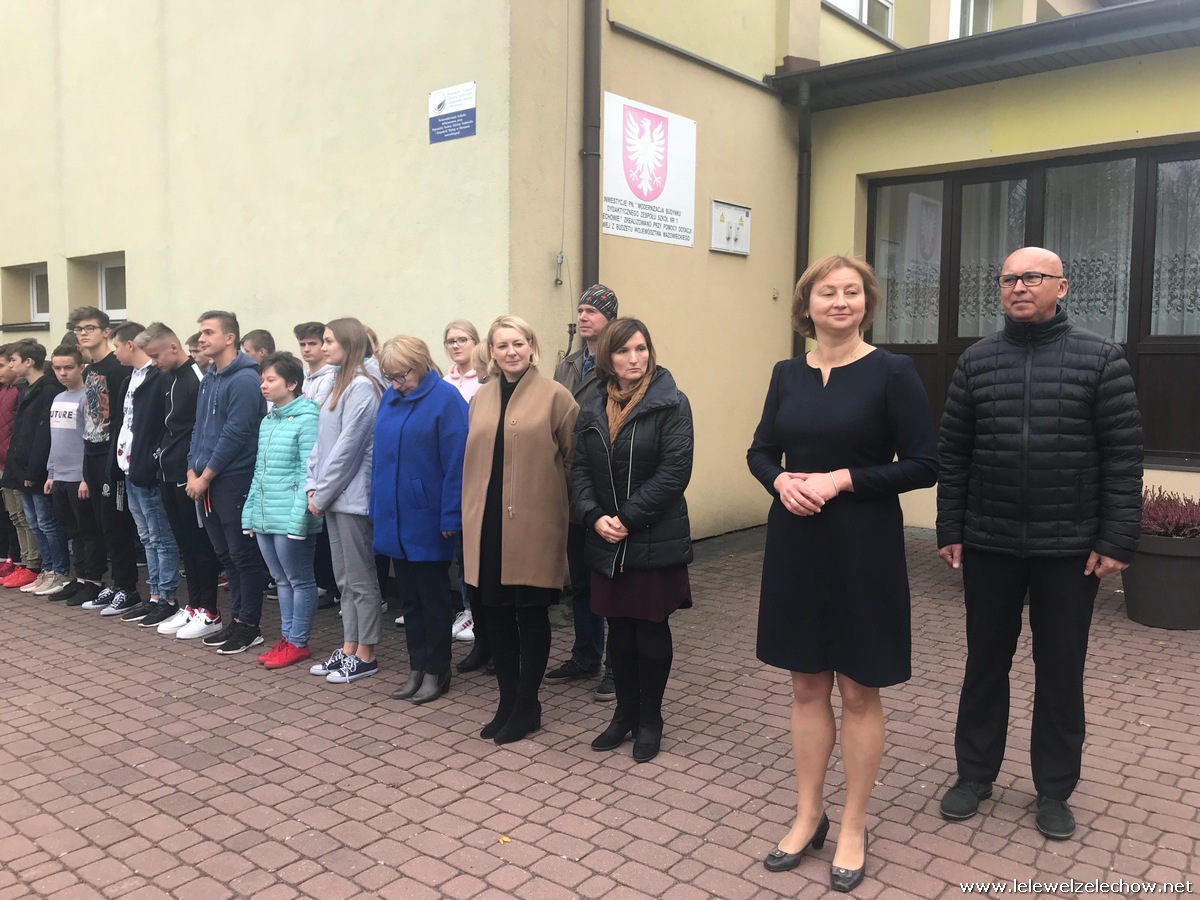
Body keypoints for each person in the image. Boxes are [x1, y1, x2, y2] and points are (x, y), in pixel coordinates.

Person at [936, 246, 1143, 842]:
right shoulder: (977, 360)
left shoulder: (1101, 359)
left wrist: (1116, 538)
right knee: (985, 662)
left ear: (1062, 287)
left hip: (1069, 548)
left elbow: (1123, 457)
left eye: (1032, 277)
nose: (1019, 287)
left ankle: (1054, 789)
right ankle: (974, 775)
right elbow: (954, 452)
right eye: (1009, 278)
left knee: (1060, 669)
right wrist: (951, 527)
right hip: (991, 541)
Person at [747, 255, 937, 892]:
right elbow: (760, 450)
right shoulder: (786, 374)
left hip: (864, 546)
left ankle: (854, 822)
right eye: (827, 292)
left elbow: (924, 463)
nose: (840, 301)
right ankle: (809, 814)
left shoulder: (893, 372)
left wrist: (842, 479)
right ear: (807, 305)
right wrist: (779, 481)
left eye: (852, 292)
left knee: (858, 690)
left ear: (866, 303)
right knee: (806, 686)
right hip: (796, 542)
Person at [571, 318, 693, 763]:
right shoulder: (592, 404)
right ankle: (624, 714)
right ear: (608, 356)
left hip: (653, 537)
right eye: (624, 351)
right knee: (619, 630)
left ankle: (650, 719)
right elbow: (579, 469)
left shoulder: (671, 402)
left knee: (650, 630)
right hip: (607, 537)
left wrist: (625, 519)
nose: (634, 358)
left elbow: (674, 472)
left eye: (641, 349)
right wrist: (593, 515)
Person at [462, 315, 578, 744]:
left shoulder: (556, 397)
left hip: (534, 524)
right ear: (491, 352)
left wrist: (559, 510)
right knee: (494, 615)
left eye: (518, 343)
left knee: (530, 614)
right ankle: (508, 701)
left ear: (532, 346)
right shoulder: (482, 397)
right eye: (502, 345)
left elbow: (574, 460)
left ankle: (528, 703)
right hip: (486, 524)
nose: (511, 352)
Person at [373, 336, 468, 704]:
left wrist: (451, 515)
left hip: (428, 517)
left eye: (402, 375)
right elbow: (381, 459)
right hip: (395, 516)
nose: (397, 383)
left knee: (433, 599)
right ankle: (417, 666)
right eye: (391, 377)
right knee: (409, 599)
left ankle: (438, 669)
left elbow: (457, 463)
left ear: (421, 363)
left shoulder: (446, 399)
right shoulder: (391, 397)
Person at [548, 284, 619, 700]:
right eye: (581, 310)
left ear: (610, 317)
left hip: (607, 485)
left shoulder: (618, 363)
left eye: (592, 310)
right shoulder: (568, 365)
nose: (584, 316)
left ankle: (615, 666)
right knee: (581, 580)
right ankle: (585, 655)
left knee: (609, 581)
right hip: (572, 486)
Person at [184, 311, 271, 651]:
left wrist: (206, 475)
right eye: (200, 332)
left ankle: (249, 625)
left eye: (208, 332)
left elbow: (236, 433)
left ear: (230, 338)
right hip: (206, 481)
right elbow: (199, 427)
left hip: (232, 480)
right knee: (226, 555)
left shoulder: (245, 379)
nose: (202, 338)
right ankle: (237, 620)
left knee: (242, 555)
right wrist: (191, 469)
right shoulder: (210, 377)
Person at [306, 317, 384, 684]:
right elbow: (320, 444)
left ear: (349, 344)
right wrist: (312, 485)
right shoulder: (338, 384)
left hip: (351, 498)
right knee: (344, 579)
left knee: (360, 577)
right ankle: (349, 646)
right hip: (333, 497)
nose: (323, 347)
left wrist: (321, 493)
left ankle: (366, 653)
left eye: (329, 341)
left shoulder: (364, 387)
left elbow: (348, 449)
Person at [139, 324, 224, 634]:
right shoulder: (167, 378)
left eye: (156, 356)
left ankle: (210, 611)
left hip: (189, 475)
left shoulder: (197, 378)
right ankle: (193, 606)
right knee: (184, 545)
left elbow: (206, 428)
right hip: (167, 470)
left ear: (173, 347)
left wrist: (197, 470)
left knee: (200, 545)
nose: (153, 363)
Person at [242, 352, 322, 669]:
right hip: (265, 515)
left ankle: (298, 641)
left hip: (290, 516)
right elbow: (259, 472)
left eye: (270, 380)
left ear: (291, 384)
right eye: (262, 380)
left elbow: (307, 473)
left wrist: (299, 520)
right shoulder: (268, 420)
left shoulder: (308, 418)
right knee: (281, 580)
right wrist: (250, 514)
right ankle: (287, 639)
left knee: (299, 580)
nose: (263, 385)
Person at [69, 306, 142, 616]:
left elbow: (124, 419)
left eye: (90, 328)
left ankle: (128, 588)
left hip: (113, 457)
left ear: (106, 331)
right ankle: (115, 583)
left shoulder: (117, 368)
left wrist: (116, 461)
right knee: (100, 524)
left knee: (116, 523)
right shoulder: (89, 371)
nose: (83, 333)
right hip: (92, 453)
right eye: (79, 329)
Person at [108, 322, 181, 623]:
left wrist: (151, 460)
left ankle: (167, 597)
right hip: (128, 467)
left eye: (116, 346)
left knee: (161, 536)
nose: (114, 353)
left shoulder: (158, 378)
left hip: (146, 469)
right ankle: (153, 595)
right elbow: (123, 423)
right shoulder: (130, 379)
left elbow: (160, 425)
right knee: (147, 536)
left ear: (131, 345)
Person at [6, 341, 70, 597]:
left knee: (47, 522)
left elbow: (43, 436)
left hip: (38, 469)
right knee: (33, 521)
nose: (11, 365)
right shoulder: (27, 389)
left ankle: (59, 570)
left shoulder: (48, 390)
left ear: (29, 362)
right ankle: (48, 568)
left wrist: (34, 471)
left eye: (14, 360)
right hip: (22, 467)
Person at [46, 346, 107, 607]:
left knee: (87, 531)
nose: (63, 373)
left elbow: (91, 441)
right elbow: (55, 440)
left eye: (68, 368)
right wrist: (51, 473)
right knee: (72, 532)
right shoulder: (58, 398)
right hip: (60, 477)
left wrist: (86, 477)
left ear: (81, 367)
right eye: (57, 368)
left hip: (80, 478)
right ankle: (80, 577)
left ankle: (93, 580)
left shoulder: (88, 397)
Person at [440, 319, 481, 644]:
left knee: (471, 547)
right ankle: (465, 608)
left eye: (462, 339)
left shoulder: (482, 380)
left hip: (475, 471)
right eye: (451, 341)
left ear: (476, 343)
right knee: (457, 548)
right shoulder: (445, 381)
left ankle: (475, 611)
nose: (456, 345)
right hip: (450, 472)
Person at [293, 320, 338, 608]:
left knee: (326, 529)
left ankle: (332, 585)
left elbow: (315, 414)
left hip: (323, 459)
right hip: (304, 459)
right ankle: (321, 581)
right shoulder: (305, 379)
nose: (307, 349)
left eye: (313, 343)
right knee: (313, 527)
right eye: (303, 344)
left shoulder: (330, 378)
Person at [0, 345, 40, 588]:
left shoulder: (21, 391)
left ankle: (31, 562)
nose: (4, 369)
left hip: (15, 462)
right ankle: (20, 560)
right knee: (14, 515)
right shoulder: (6, 390)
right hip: (5, 463)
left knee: (25, 516)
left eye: (4, 364)